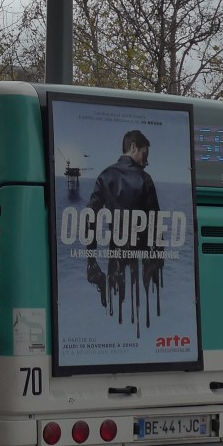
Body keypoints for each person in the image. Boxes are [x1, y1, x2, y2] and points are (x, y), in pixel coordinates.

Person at [84, 130, 160, 324]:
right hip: (142, 257)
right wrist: (157, 257)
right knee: (142, 312)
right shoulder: (145, 179)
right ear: (133, 147)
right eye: (144, 154)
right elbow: (156, 223)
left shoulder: (105, 175)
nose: (146, 161)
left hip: (116, 254)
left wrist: (91, 259)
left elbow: (90, 216)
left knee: (115, 307)